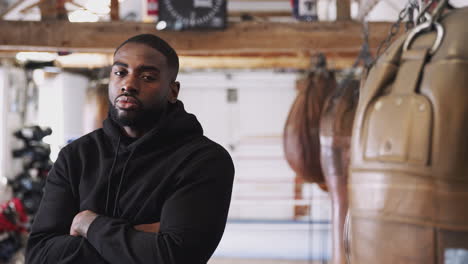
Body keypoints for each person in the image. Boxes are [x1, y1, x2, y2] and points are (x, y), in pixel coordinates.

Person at [25, 34, 235, 264]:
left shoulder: (203, 160)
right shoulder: (76, 156)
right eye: (120, 72)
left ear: (172, 91)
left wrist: (90, 225)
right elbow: (39, 256)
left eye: (147, 77)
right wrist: (138, 238)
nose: (129, 84)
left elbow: (175, 257)